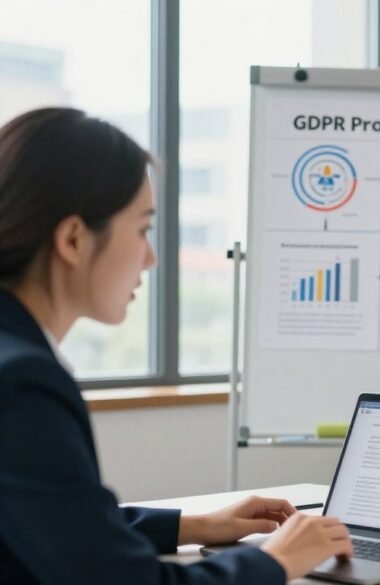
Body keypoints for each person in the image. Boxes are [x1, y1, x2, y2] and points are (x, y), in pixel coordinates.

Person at [0, 107, 353, 584]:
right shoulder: (23, 384)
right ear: (74, 238)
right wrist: (276, 560)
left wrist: (195, 525)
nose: (151, 258)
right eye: (143, 228)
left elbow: (55, 518)